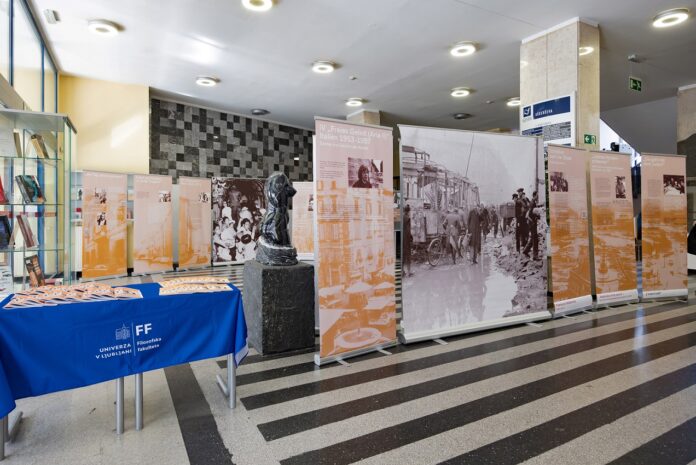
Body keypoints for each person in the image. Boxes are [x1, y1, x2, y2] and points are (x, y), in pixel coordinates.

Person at [523, 191, 540, 260]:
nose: (538, 197)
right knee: (535, 239)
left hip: (533, 223)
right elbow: (528, 215)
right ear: (534, 196)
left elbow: (532, 213)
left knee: (533, 238)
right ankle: (535, 256)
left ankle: (525, 251)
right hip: (532, 223)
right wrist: (532, 221)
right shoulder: (532, 203)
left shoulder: (533, 202)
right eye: (537, 195)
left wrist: (537, 216)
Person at [403, 204, 414, 276]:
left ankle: (402, 272)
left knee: (402, 254)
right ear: (408, 211)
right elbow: (408, 230)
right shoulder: (407, 218)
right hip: (406, 239)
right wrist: (410, 237)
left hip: (401, 238)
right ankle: (408, 272)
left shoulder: (400, 217)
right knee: (408, 255)